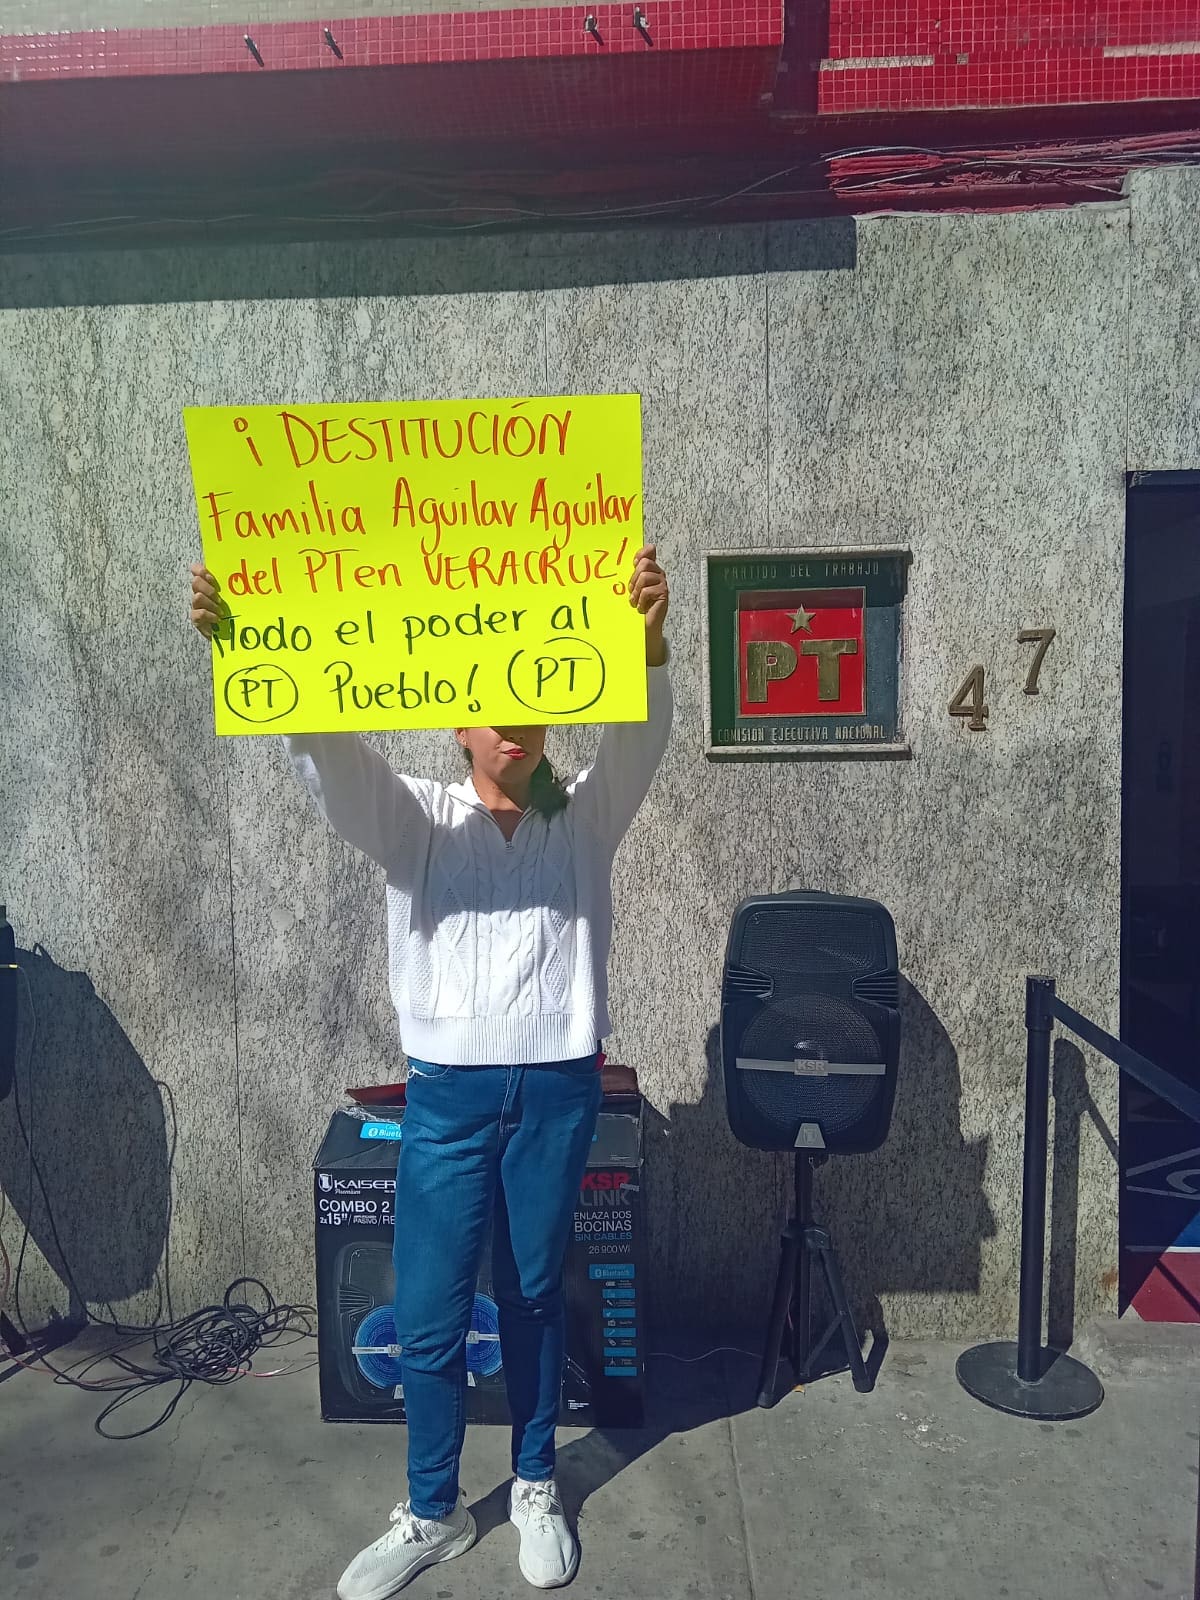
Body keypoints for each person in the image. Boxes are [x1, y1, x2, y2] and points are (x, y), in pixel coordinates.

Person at [189, 546, 672, 1597]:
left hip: (557, 1087)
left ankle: (536, 1482)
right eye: (493, 705)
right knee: (430, 1304)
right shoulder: (414, 817)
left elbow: (642, 736)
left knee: (534, 1293)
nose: (516, 723)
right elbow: (328, 751)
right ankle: (432, 1508)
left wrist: (646, 645)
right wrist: (248, 641)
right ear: (456, 721)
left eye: (536, 699)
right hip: (448, 1096)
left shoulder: (586, 814)